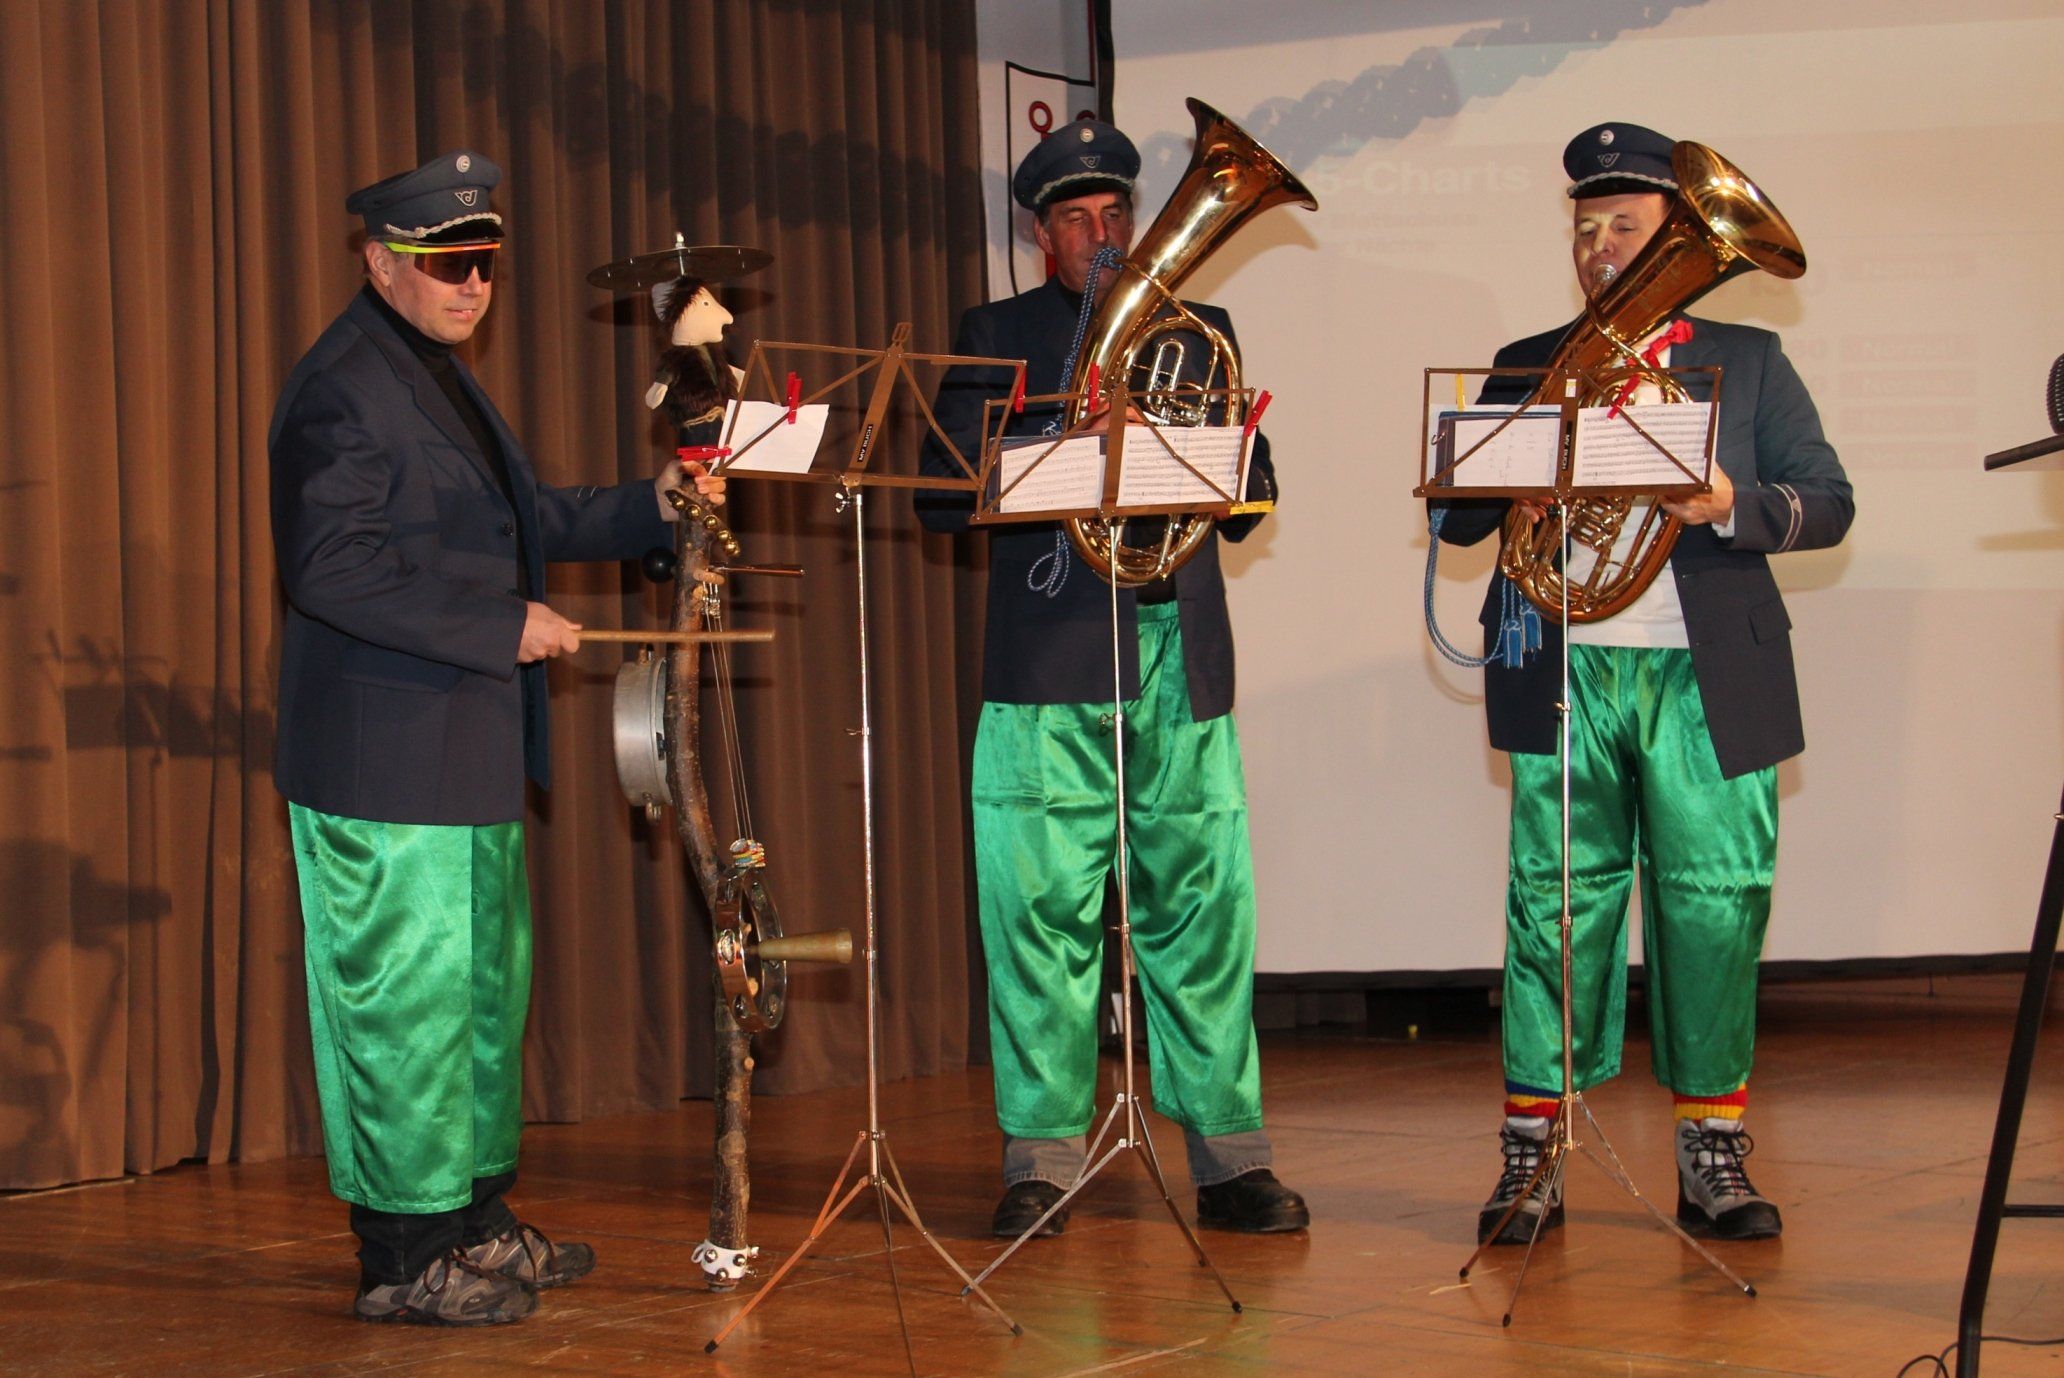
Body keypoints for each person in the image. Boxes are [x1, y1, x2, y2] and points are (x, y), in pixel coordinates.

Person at [269, 151, 724, 1324]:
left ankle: (471, 1220)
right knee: (403, 1015)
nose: (473, 283)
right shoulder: (342, 386)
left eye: (485, 261)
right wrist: (499, 623)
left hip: (461, 749)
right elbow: (329, 569)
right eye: (448, 263)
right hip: (384, 762)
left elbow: (516, 523)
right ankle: (402, 1256)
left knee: (476, 1008)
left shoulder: (431, 372)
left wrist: (649, 505)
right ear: (381, 261)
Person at [1433, 122, 1853, 1245]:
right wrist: (1506, 485)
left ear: (1676, 235)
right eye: (1586, 229)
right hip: (1565, 663)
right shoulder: (1530, 357)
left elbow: (1830, 501)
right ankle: (1533, 1151)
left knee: (1715, 903)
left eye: (1625, 226)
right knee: (1554, 905)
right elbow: (1454, 519)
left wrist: (1728, 504)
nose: (1601, 247)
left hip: (1707, 674)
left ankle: (1712, 1148)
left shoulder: (1749, 360)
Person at [915, 118, 1306, 1238]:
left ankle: (1231, 1161)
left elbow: (1255, 495)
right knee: (1039, 918)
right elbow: (942, 494)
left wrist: (1217, 453)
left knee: (1204, 913)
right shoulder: (997, 334)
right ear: (1042, 238)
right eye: (1078, 220)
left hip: (1177, 647)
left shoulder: (1201, 330)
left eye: (1116, 213)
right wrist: (1075, 434)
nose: (1103, 234)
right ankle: (1041, 1159)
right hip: (1049, 661)